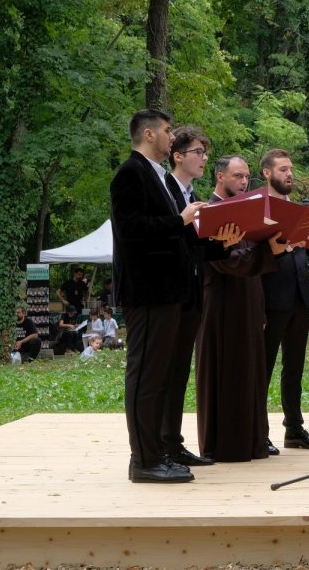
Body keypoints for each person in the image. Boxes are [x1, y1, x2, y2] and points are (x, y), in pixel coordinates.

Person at [110, 109, 208, 483]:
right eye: (168, 131)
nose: (172, 137)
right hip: (147, 291)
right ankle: (144, 460)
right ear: (149, 134)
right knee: (145, 376)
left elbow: (173, 235)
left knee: (158, 377)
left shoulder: (157, 177)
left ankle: (157, 452)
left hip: (168, 293)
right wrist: (179, 221)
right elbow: (131, 229)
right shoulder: (130, 173)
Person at [196, 155, 283, 462]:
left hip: (249, 300)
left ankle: (253, 440)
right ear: (220, 177)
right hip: (221, 302)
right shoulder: (208, 212)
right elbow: (224, 262)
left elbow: (251, 258)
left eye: (247, 177)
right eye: (237, 176)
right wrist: (267, 250)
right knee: (227, 370)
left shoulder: (248, 209)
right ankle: (226, 446)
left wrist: (259, 310)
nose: (244, 182)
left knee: (252, 372)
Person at [160, 125, 221, 469]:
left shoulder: (190, 193)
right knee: (166, 373)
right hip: (171, 293)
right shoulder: (165, 189)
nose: (204, 158)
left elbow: (197, 246)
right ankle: (161, 444)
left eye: (205, 153)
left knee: (181, 370)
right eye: (199, 152)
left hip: (193, 292)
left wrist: (225, 238)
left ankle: (174, 441)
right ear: (178, 155)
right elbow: (171, 238)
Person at [259, 149, 309, 451]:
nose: (289, 174)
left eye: (291, 169)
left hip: (299, 297)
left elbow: (306, 250)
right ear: (267, 173)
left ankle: (294, 429)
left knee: (294, 368)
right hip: (271, 299)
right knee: (264, 368)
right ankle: (257, 431)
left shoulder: (299, 209)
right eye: (283, 169)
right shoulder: (257, 207)